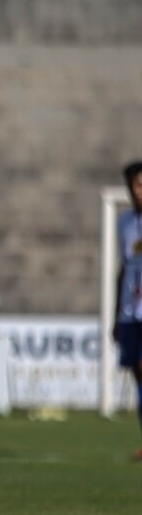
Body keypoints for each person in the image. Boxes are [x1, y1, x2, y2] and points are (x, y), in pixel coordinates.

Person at [114, 161, 142, 461]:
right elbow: (123, 269)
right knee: (137, 373)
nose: (137, 191)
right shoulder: (124, 223)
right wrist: (115, 315)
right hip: (130, 311)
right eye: (133, 185)